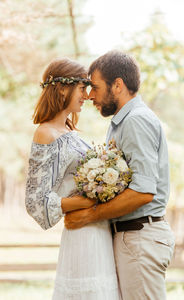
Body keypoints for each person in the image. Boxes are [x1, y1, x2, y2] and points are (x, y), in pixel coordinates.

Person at [65, 50, 175, 300]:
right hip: (132, 238)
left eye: (94, 86)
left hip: (140, 238)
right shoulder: (122, 122)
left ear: (117, 85)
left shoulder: (136, 121)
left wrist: (89, 216)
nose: (90, 95)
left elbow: (143, 192)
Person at [25, 57, 120, 299]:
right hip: (81, 232)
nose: (87, 95)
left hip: (99, 228)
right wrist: (84, 202)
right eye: (82, 88)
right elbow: (35, 201)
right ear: (63, 88)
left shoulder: (70, 132)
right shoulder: (45, 133)